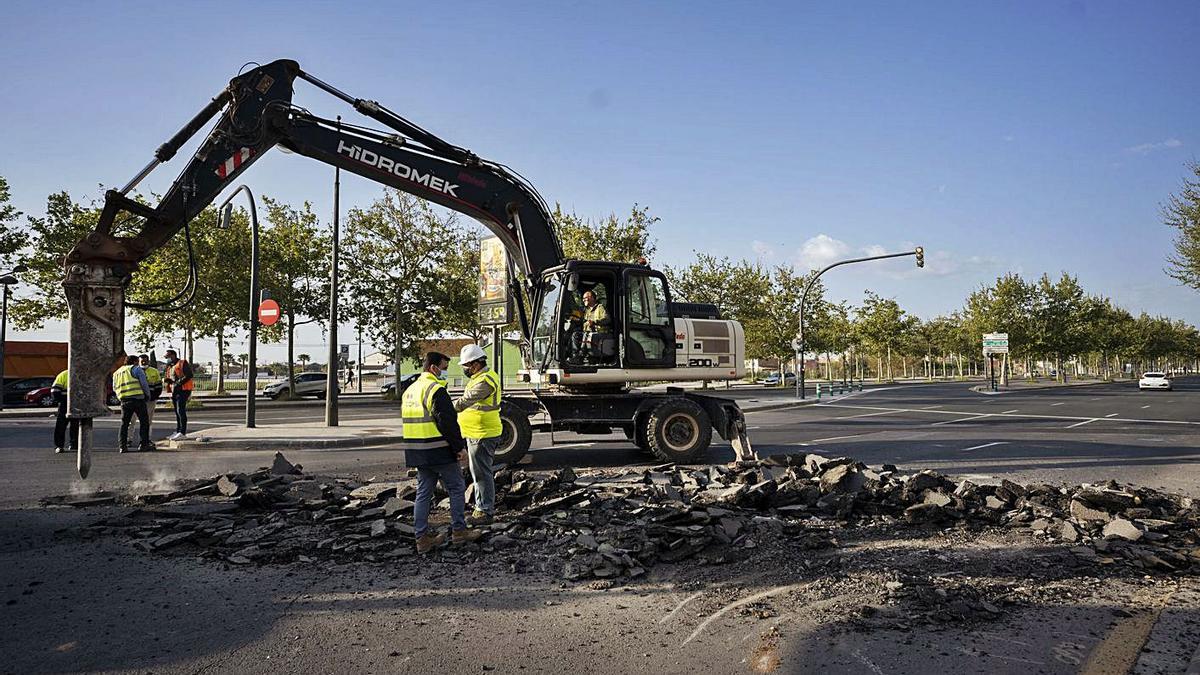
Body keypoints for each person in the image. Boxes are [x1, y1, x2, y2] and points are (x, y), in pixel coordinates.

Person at [402, 351, 482, 553]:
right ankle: (459, 531)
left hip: (417, 452)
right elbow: (447, 423)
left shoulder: (410, 391)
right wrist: (459, 448)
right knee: (456, 488)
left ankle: (421, 538)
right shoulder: (435, 390)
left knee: (423, 492)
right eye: (444, 369)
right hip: (438, 449)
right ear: (433, 368)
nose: (445, 372)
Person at [453, 344, 503, 526]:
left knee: (481, 473)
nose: (465, 369)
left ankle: (485, 511)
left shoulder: (485, 380)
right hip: (476, 432)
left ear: (475, 364)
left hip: (483, 433)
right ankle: (481, 506)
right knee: (478, 471)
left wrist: (446, 408)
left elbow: (466, 401)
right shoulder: (479, 377)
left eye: (466, 366)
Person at [112, 354, 154, 453]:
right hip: (138, 399)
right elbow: (144, 384)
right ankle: (144, 445)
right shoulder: (136, 369)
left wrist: (120, 397)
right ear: (135, 361)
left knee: (124, 424)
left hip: (125, 400)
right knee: (144, 422)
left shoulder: (117, 373)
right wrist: (147, 395)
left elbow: (114, 387)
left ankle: (123, 446)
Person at [162, 349, 193, 440]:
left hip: (183, 390)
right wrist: (168, 381)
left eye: (168, 357)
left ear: (173, 355)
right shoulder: (170, 366)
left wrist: (177, 383)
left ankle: (182, 432)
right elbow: (172, 379)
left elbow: (189, 375)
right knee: (177, 412)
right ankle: (178, 431)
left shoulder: (182, 363)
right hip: (175, 391)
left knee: (181, 411)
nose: (167, 359)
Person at [51, 368, 78, 455]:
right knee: (63, 425)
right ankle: (62, 445)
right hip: (70, 404)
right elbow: (55, 391)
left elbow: (54, 391)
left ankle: (69, 444)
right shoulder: (65, 374)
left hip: (68, 404)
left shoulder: (64, 374)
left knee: (72, 425)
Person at [139, 354, 163, 435]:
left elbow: (159, 386)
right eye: (142, 361)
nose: (143, 362)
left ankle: (147, 438)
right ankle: (129, 439)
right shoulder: (135, 371)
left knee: (148, 420)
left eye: (145, 361)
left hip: (150, 399)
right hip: (138, 399)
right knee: (132, 421)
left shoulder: (154, 371)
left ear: (148, 361)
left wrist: (154, 397)